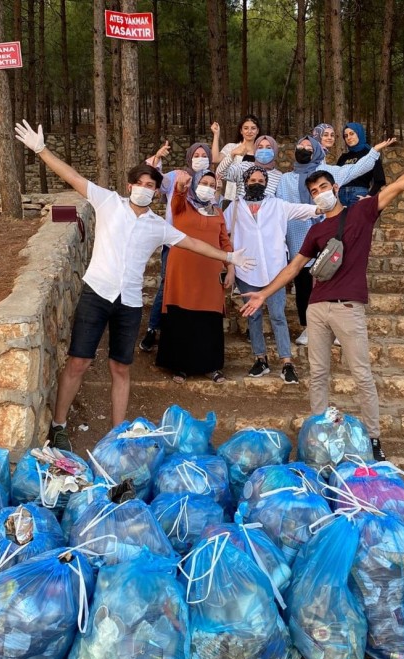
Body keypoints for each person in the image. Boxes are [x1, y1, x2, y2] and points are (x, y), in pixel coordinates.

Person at [14, 120, 255, 451]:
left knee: (121, 368)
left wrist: (229, 257)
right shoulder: (108, 202)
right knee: (78, 362)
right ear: (130, 186)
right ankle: (58, 425)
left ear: (157, 192)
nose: (144, 188)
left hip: (128, 302)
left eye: (150, 185)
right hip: (97, 293)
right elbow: (71, 176)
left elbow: (194, 244)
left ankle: (117, 434)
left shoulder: (158, 226)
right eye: (139, 183)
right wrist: (41, 150)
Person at [240, 134, 404, 462]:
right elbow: (294, 267)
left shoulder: (362, 212)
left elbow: (399, 185)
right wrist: (263, 293)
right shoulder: (316, 231)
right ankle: (319, 434)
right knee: (318, 373)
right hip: (317, 309)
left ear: (335, 189)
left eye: (323, 189)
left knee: (361, 373)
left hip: (348, 307)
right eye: (313, 192)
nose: (319, 195)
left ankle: (374, 437)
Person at [277, 133, 396, 345]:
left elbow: (355, 169)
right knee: (304, 286)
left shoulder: (327, 173)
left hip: (328, 238)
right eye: (300, 146)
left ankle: (338, 328)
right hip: (299, 238)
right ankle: (308, 328)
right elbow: (279, 209)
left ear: (316, 151)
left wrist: (374, 151)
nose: (303, 149)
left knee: (333, 280)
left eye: (308, 147)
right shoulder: (286, 179)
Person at [224, 165, 329, 384]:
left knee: (278, 316)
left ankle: (286, 362)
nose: (256, 183)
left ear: (266, 184)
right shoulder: (233, 208)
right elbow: (221, 233)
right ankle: (260, 359)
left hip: (275, 271)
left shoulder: (278, 205)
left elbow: (305, 210)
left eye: (261, 181)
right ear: (245, 182)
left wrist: (325, 207)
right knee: (253, 317)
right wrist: (230, 267)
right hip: (246, 271)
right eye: (252, 180)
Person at [139, 127, 221, 352]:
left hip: (203, 246)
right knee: (167, 285)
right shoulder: (177, 176)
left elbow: (217, 212)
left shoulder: (213, 182)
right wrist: (156, 158)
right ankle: (153, 329)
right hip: (175, 242)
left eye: (205, 156)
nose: (200, 159)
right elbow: (154, 180)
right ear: (189, 157)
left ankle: (190, 331)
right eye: (196, 155)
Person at [156, 169, 234, 384]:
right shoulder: (182, 206)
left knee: (208, 318)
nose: (208, 187)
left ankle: (211, 366)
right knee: (181, 317)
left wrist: (232, 268)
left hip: (210, 272)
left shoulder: (217, 212)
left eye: (212, 184)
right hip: (182, 269)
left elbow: (224, 242)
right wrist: (181, 186)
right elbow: (179, 194)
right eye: (204, 183)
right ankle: (180, 367)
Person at [216, 134, 282, 199]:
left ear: (275, 150)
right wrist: (232, 154)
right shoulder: (244, 167)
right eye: (260, 147)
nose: (264, 151)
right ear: (255, 150)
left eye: (268, 147)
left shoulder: (279, 176)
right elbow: (220, 173)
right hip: (241, 209)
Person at [214, 114, 260, 204]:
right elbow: (215, 159)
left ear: (258, 131)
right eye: (246, 128)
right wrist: (216, 134)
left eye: (253, 128)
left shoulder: (261, 151)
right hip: (232, 198)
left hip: (256, 199)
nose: (249, 131)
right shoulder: (232, 147)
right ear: (241, 131)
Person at [337, 122, 387, 206]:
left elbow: (379, 180)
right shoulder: (343, 157)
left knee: (356, 219)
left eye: (352, 134)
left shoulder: (371, 153)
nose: (349, 138)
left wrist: (369, 196)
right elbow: (335, 179)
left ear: (359, 133)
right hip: (340, 197)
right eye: (346, 136)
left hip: (359, 195)